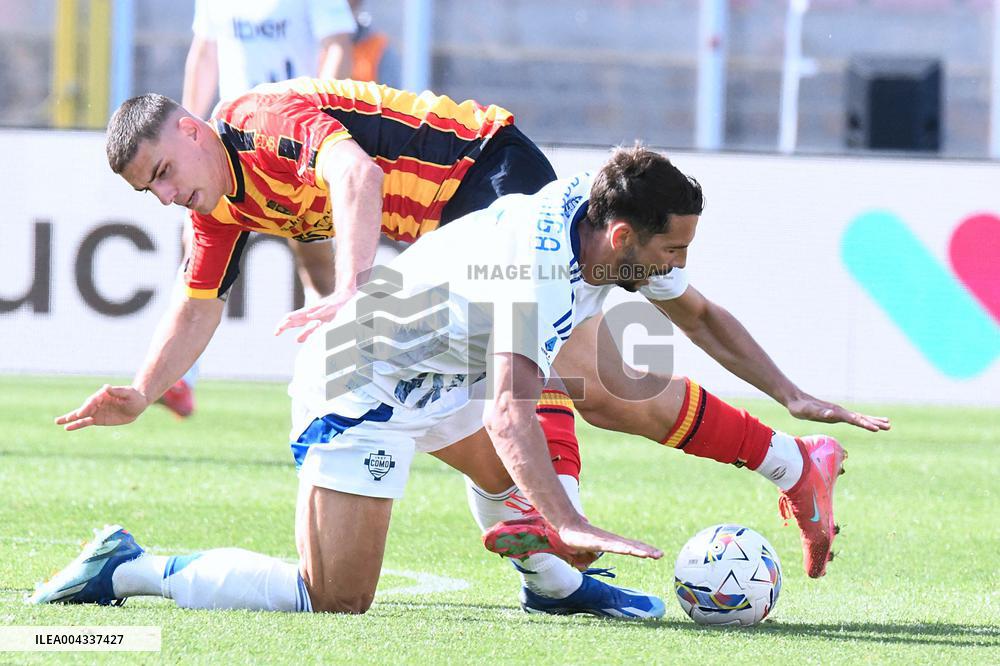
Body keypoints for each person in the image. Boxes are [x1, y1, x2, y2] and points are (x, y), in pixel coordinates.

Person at [35, 148, 888, 617]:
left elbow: (699, 317)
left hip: (444, 373)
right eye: (672, 251)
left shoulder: (612, 237)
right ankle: (131, 567)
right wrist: (571, 517)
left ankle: (557, 588)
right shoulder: (537, 262)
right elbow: (516, 412)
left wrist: (793, 392)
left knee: (556, 448)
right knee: (332, 599)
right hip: (359, 382)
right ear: (626, 233)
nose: (678, 266)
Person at [159, 0, 358, 417]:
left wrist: (317, 120)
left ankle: (342, 382)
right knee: (194, 251)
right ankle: (180, 377)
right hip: (228, 147)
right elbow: (205, 53)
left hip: (291, 144)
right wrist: (186, 131)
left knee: (318, 264)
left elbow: (338, 44)